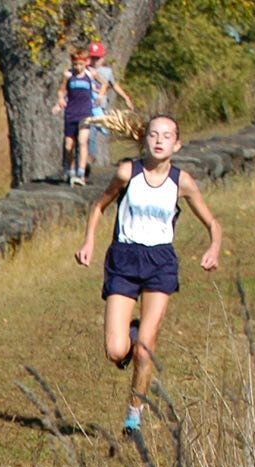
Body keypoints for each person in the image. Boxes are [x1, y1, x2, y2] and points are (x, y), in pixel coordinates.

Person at [73, 114, 221, 436]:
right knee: (116, 351)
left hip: (160, 262)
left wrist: (213, 248)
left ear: (176, 144)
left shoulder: (182, 182)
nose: (159, 140)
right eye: (154, 134)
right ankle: (134, 330)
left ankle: (133, 418)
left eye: (166, 136)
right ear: (145, 139)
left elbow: (213, 223)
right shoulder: (128, 173)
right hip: (124, 259)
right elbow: (99, 206)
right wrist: (89, 241)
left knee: (144, 350)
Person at [52, 48, 101, 186]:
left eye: (81, 64)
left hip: (85, 112)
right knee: (69, 145)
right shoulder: (68, 76)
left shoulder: (90, 75)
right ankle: (71, 171)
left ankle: (81, 173)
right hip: (71, 112)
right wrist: (60, 101)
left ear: (85, 63)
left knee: (82, 141)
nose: (78, 67)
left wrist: (100, 95)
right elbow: (61, 90)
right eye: (75, 65)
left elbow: (103, 84)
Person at [86, 41, 134, 172]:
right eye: (92, 57)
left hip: (99, 108)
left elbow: (114, 85)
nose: (95, 61)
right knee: (85, 133)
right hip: (84, 106)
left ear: (103, 58)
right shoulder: (84, 70)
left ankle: (90, 158)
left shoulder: (106, 72)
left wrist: (126, 98)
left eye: (98, 58)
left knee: (94, 131)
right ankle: (83, 160)